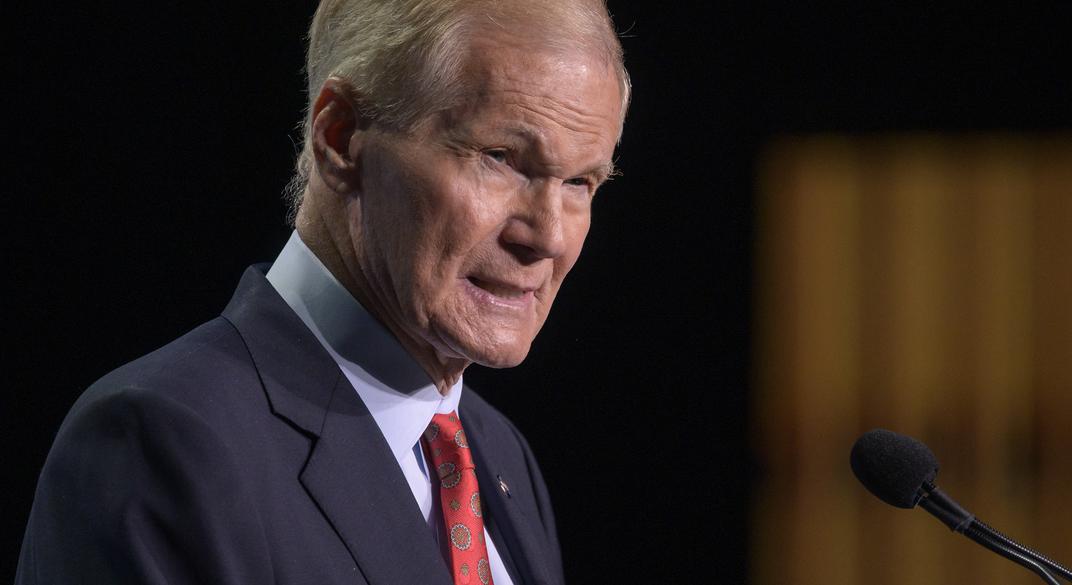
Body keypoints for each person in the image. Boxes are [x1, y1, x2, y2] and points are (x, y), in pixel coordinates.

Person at [17, 1, 629, 583]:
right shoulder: (161, 445)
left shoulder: (499, 455)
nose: (548, 235)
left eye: (580, 181)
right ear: (340, 139)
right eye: (500, 157)